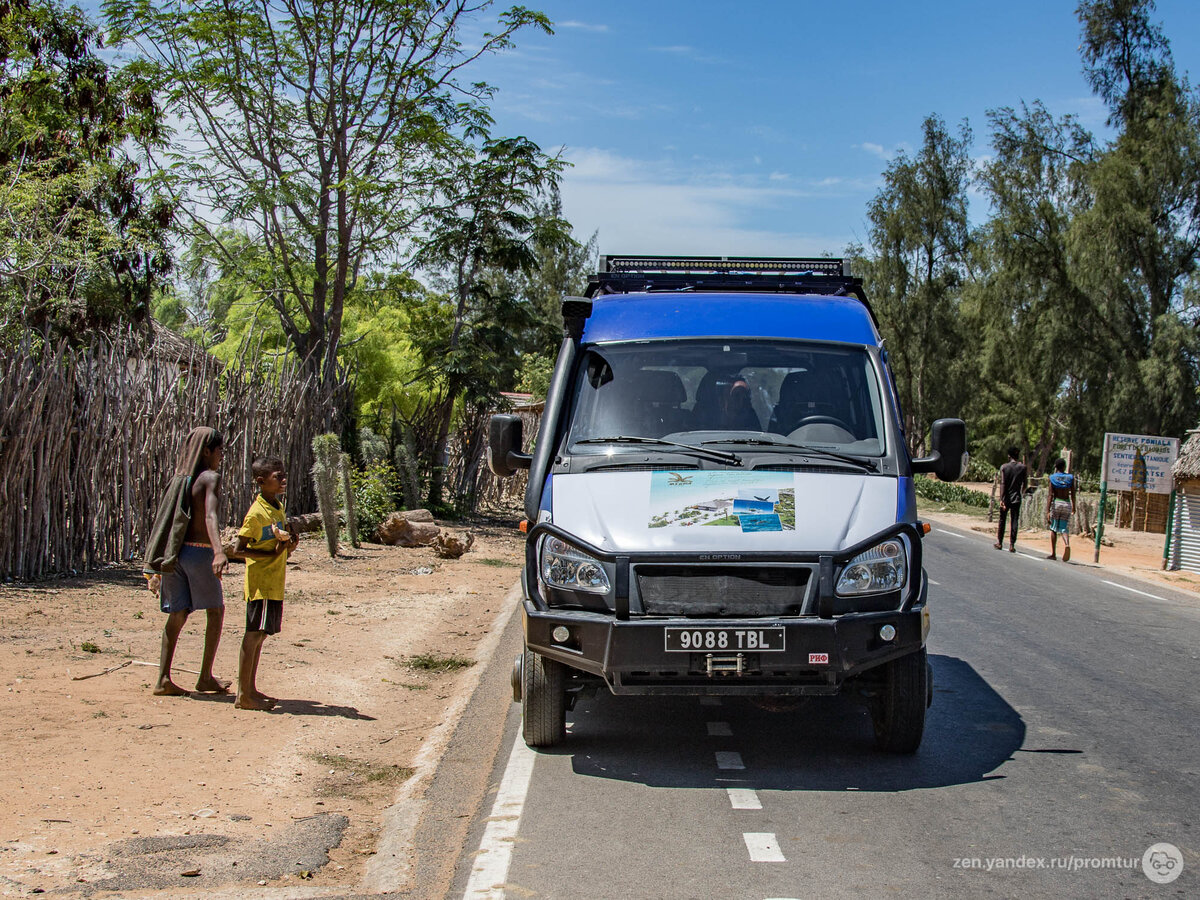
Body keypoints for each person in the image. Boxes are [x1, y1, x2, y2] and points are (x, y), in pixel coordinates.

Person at [144, 426, 231, 696]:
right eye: (219, 451)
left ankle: (162, 679)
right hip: (198, 552)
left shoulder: (178, 481)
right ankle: (205, 676)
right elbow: (209, 516)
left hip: (174, 556)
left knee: (177, 614)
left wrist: (156, 566)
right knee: (215, 612)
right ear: (207, 451)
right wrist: (218, 550)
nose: (221, 456)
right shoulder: (209, 478)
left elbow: (164, 522)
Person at [233, 456, 298, 711]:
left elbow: (276, 543)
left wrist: (288, 545)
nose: (283, 480)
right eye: (277, 477)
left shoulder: (277, 507)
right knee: (253, 634)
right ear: (261, 481)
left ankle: (250, 688)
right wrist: (270, 555)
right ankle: (242, 695)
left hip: (274, 581)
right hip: (261, 583)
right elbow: (238, 550)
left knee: (261, 636)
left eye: (283, 475)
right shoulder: (256, 513)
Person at [994, 446, 1028, 553]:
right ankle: (1012, 545)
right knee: (1014, 520)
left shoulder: (1004, 467)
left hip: (1007, 498)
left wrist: (1002, 498)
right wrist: (1021, 493)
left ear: (1009, 456)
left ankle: (1000, 542)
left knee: (1002, 519)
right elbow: (1025, 484)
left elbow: (1003, 483)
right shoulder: (1023, 467)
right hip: (1016, 498)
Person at [1045, 458, 1078, 562]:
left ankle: (1054, 554)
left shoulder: (1052, 478)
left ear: (1056, 467)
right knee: (1063, 528)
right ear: (1064, 467)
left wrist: (1047, 511)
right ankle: (1067, 544)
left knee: (1053, 528)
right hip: (1066, 503)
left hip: (1057, 503)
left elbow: (1050, 495)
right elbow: (1073, 494)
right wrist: (1074, 507)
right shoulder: (1070, 478)